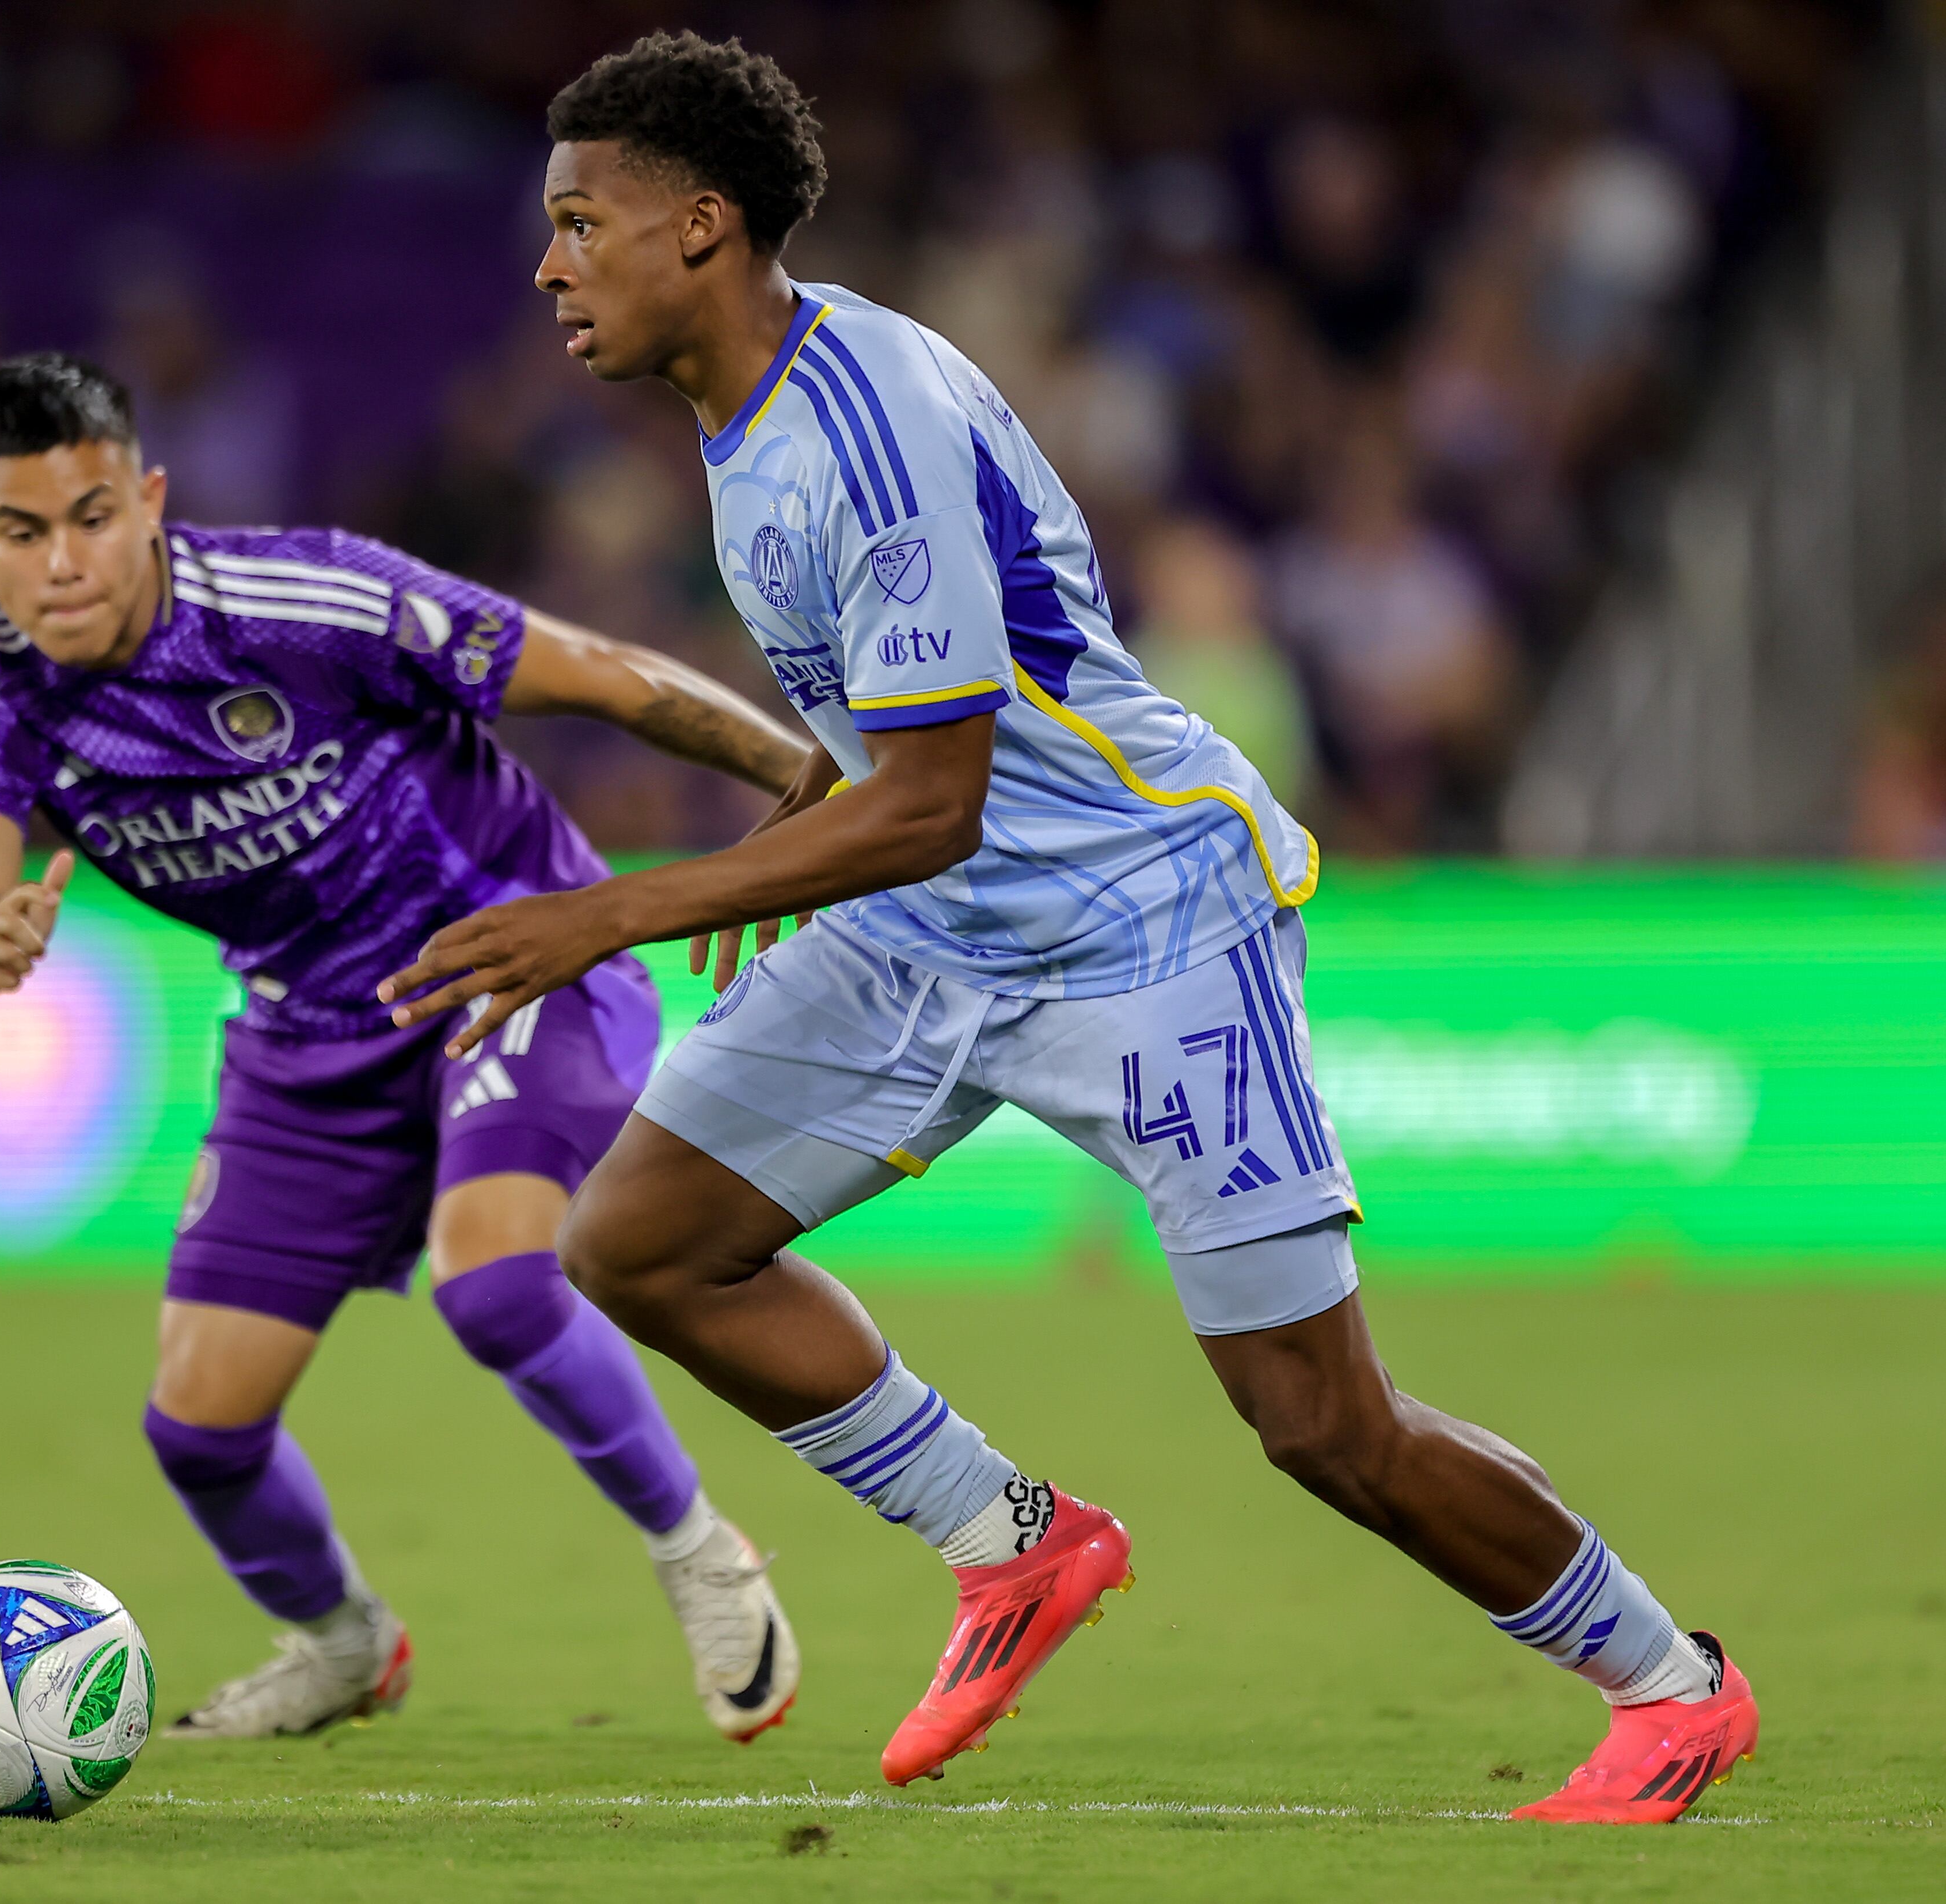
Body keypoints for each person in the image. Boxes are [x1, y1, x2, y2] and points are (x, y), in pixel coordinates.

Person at [378, 32, 1757, 1821]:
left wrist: (629, 909)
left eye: (580, 221)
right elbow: (917, 746)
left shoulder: (859, 425)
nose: (549, 262)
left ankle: (1669, 1680)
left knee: (1320, 1422)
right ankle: (1007, 1539)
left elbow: (941, 791)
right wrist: (799, 805)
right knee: (642, 1238)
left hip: (1140, 915)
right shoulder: (747, 410)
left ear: (701, 226)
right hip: (931, 915)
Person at [0, 352, 811, 1743]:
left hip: (508, 957)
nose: (66, 564)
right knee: (200, 1430)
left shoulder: (307, 604)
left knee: (500, 1282)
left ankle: (700, 1547)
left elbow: (606, 678)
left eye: (92, 516)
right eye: (23, 534)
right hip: (306, 1030)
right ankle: (342, 1644)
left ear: (150, 501)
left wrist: (807, 795)